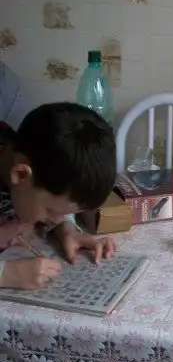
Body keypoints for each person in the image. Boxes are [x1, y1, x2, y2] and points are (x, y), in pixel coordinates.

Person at [0, 102, 117, 289]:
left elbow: (52, 198)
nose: (55, 219)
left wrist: (66, 228)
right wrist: (7, 274)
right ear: (20, 174)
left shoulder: (33, 158)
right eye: (50, 211)